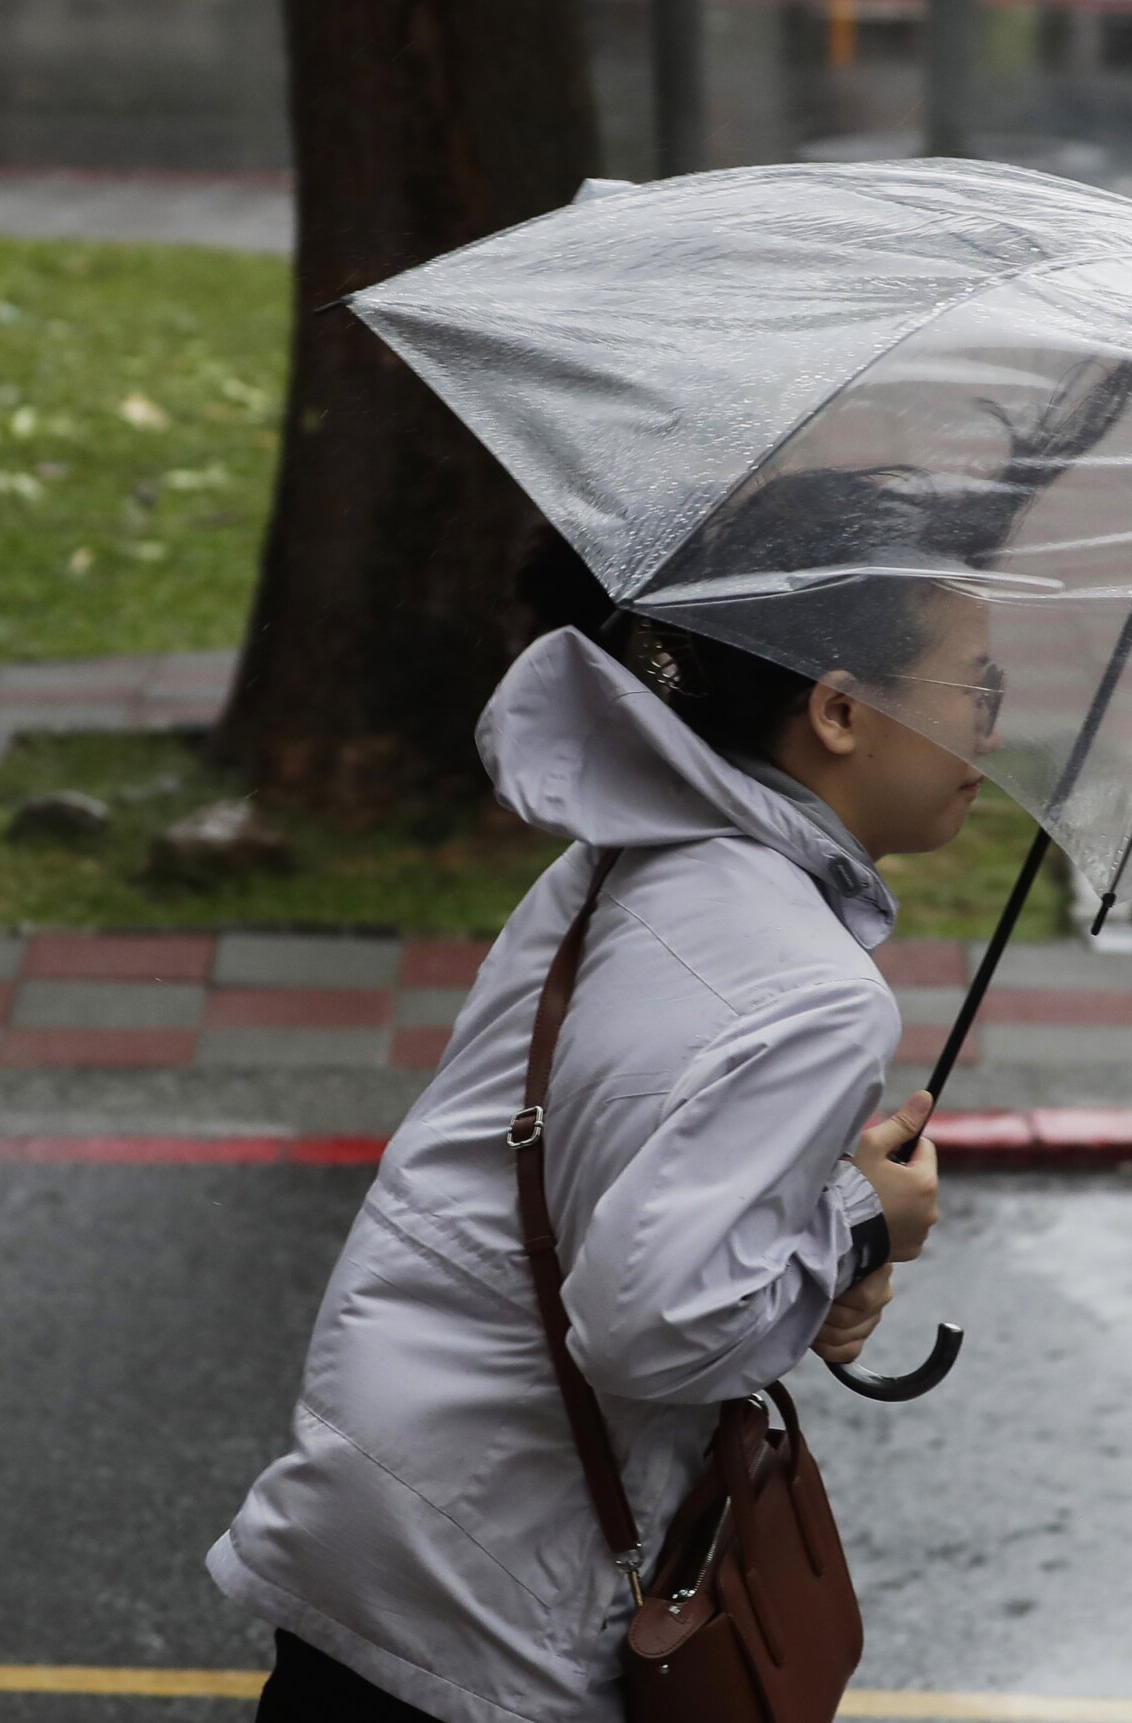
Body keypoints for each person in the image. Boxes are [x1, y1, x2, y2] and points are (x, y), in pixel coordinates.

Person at [211, 508, 1013, 1723]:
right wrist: (858, 1222)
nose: (990, 728)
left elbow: (585, 1169)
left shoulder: (624, 853)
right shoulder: (816, 990)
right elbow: (655, 1328)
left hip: (381, 1508)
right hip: (496, 1601)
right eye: (975, 685)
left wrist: (812, 1224)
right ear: (840, 712)